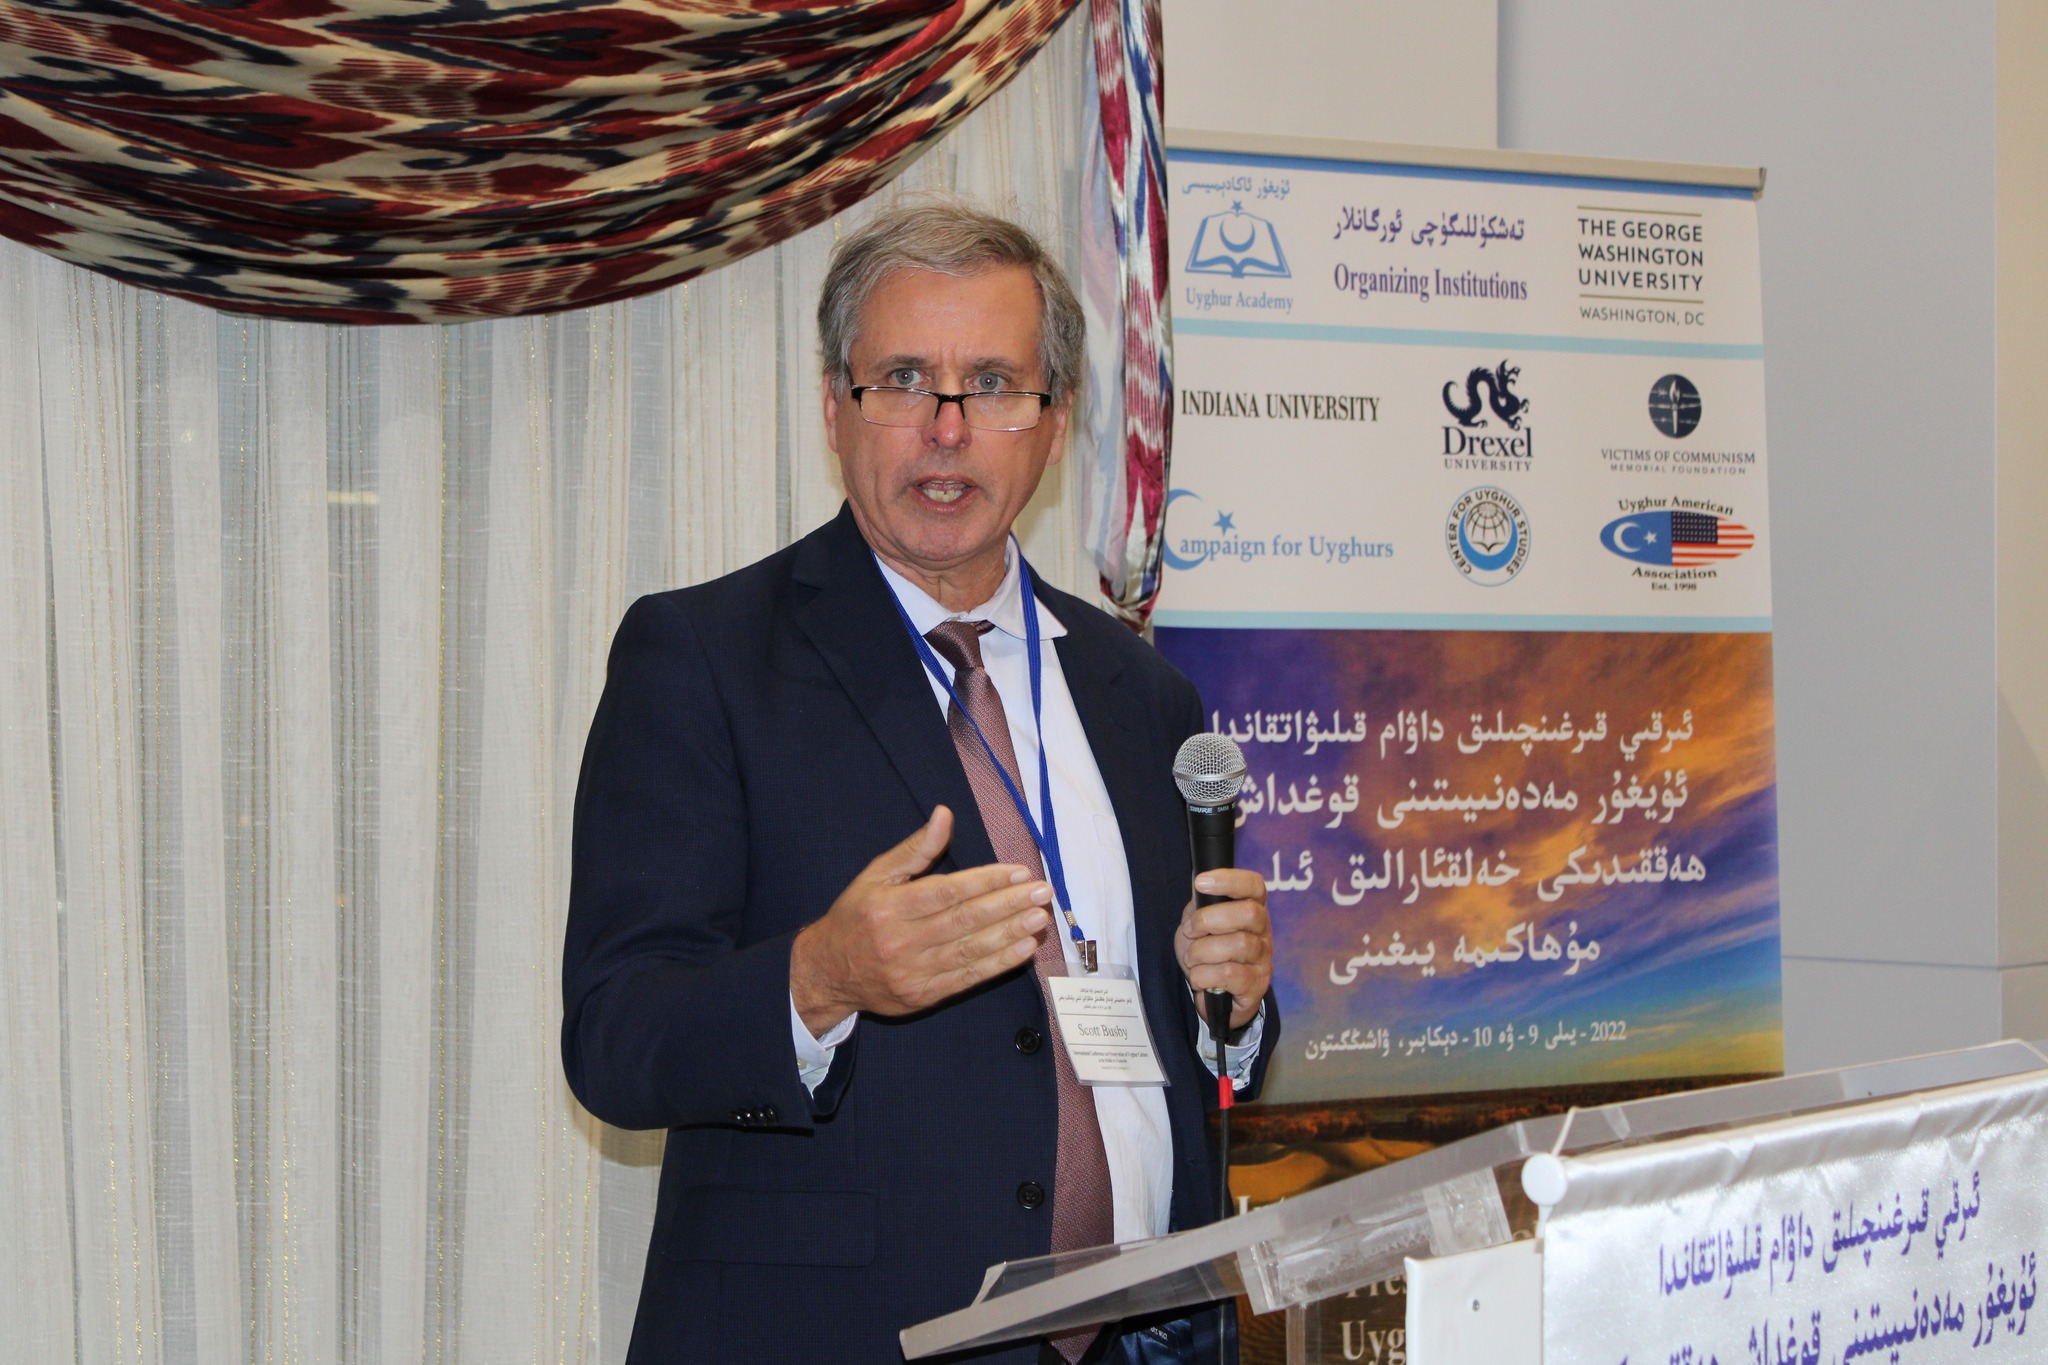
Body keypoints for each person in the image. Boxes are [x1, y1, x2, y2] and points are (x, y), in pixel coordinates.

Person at [561, 201, 1277, 1365]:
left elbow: (1156, 1033)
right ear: (834, 408)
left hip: (1147, 1336)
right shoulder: (703, 657)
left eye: (992, 384)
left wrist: (1228, 1014)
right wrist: (820, 976)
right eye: (903, 380)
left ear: (1052, 425)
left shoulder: (1141, 691)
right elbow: (613, 1037)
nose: (947, 428)